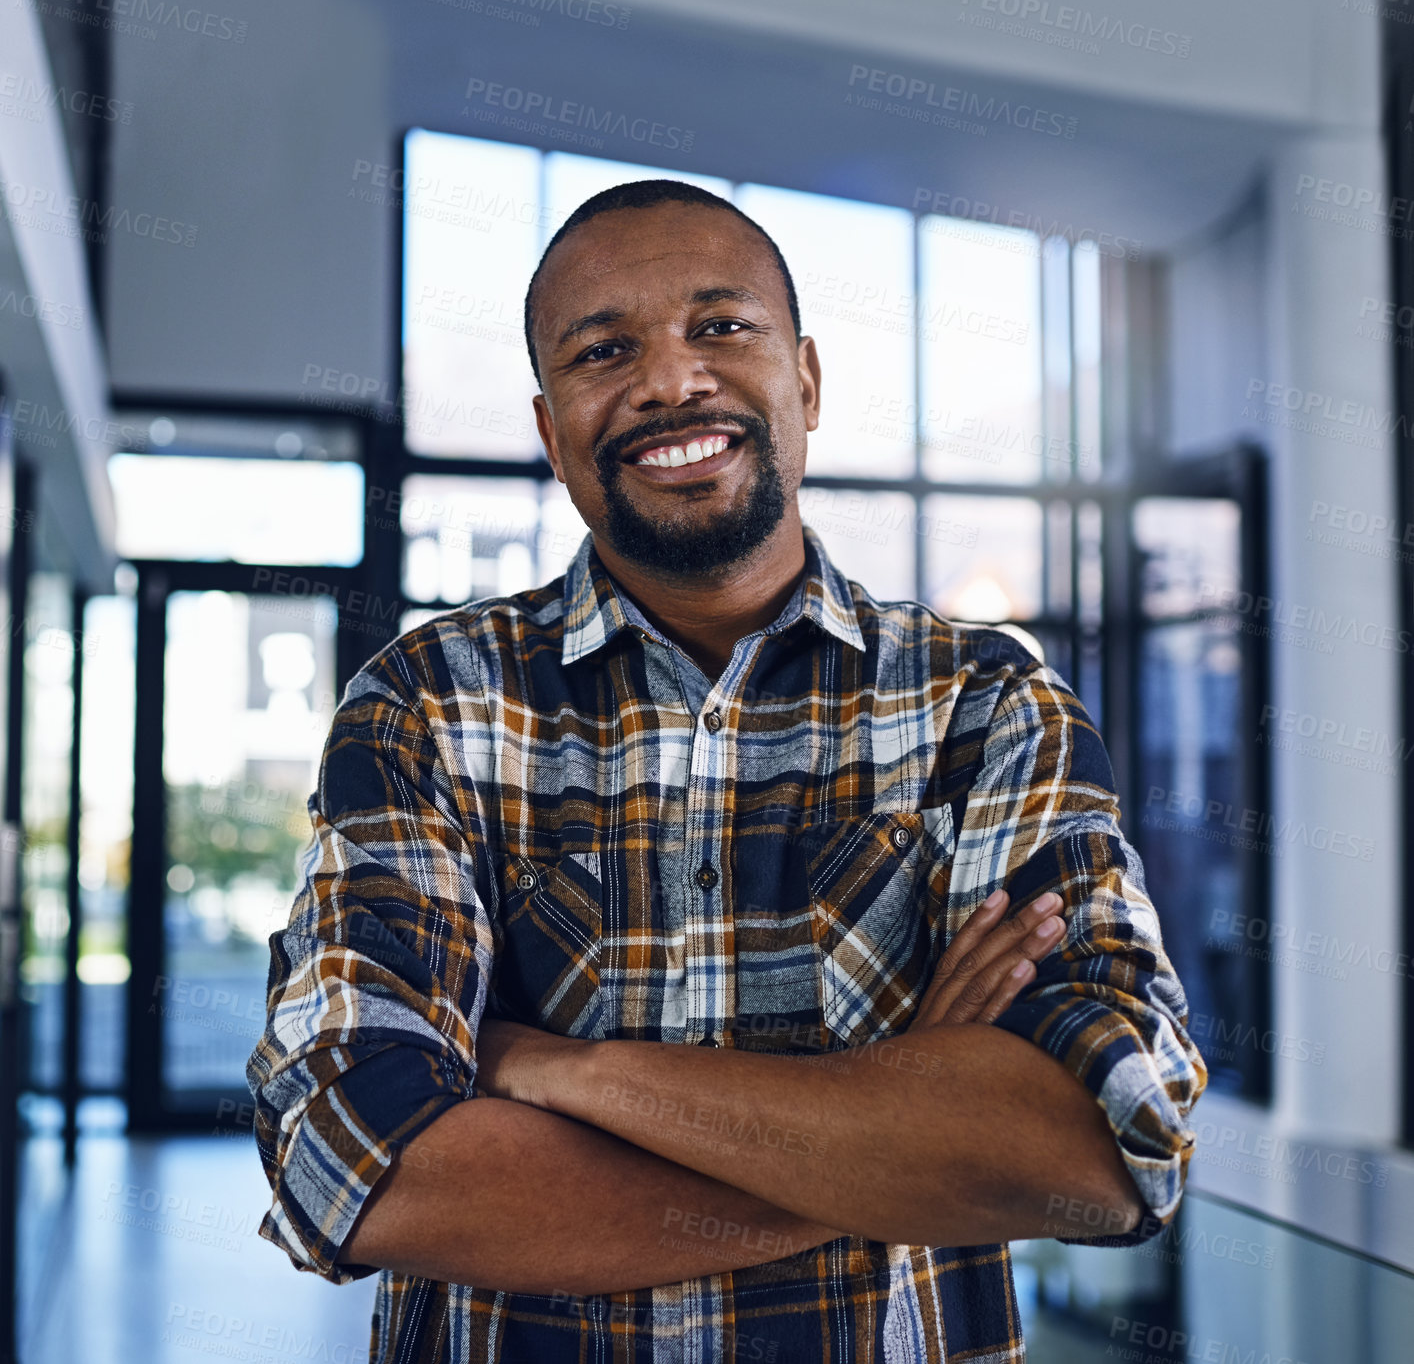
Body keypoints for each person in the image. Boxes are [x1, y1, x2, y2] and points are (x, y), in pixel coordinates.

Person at [247, 178, 1206, 1361]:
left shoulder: (985, 704)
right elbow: (359, 1166)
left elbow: (1099, 1150)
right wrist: (896, 1129)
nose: (668, 381)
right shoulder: (429, 705)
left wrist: (558, 1070)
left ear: (804, 381)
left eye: (720, 327)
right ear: (551, 434)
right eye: (605, 350)